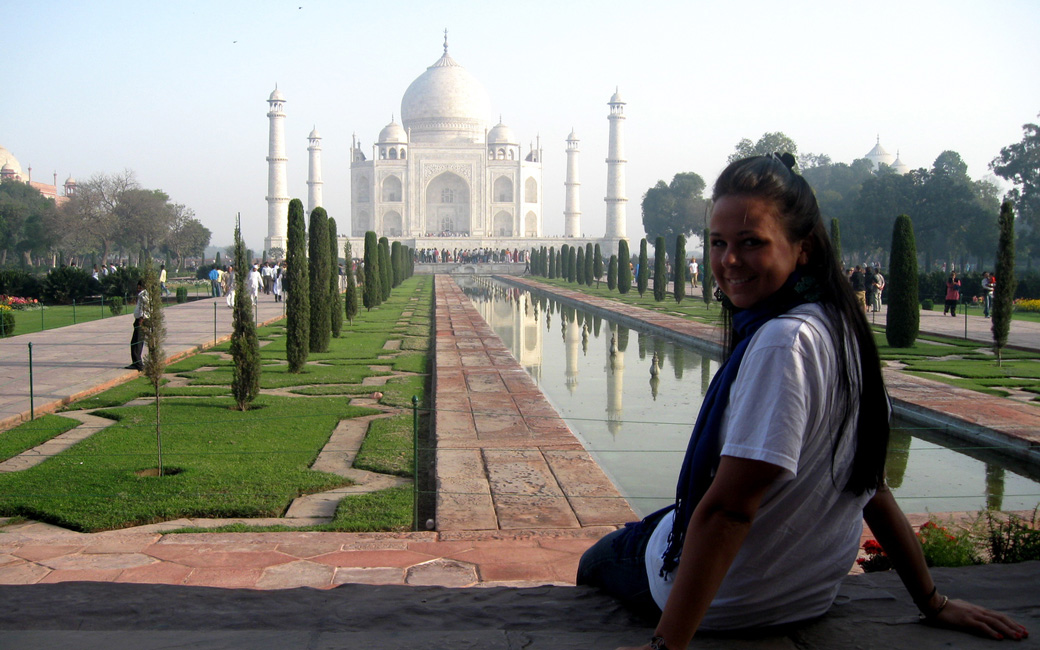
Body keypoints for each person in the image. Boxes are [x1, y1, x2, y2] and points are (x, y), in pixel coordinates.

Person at [577, 154, 1028, 649]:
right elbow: (872, 486)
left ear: (804, 248)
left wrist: (668, 646)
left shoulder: (781, 342)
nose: (729, 260)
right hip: (805, 595)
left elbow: (729, 511)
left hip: (731, 601)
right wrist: (934, 601)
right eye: (719, 243)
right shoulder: (842, 329)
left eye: (752, 243)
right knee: (671, 516)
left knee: (600, 559)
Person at [127, 280, 148, 371]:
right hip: (140, 319)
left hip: (141, 319)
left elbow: (144, 308)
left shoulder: (143, 295)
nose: (137, 288)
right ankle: (136, 362)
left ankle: (138, 364)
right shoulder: (144, 294)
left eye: (139, 287)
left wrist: (142, 318)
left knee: (137, 342)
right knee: (136, 342)